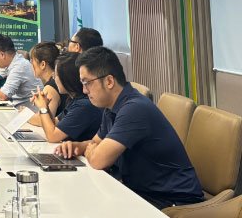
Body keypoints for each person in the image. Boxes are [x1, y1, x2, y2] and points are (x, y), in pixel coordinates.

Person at [55, 47, 203, 210]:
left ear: (109, 81)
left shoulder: (134, 109)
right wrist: (76, 146)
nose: (84, 90)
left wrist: (92, 151)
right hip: (140, 193)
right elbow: (95, 143)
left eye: (86, 82)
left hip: (171, 201)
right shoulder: (111, 107)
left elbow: (98, 161)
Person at [29, 51, 102, 142]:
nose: (54, 78)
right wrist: (46, 106)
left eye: (56, 75)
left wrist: (42, 108)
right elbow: (55, 123)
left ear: (67, 78)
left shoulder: (84, 105)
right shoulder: (74, 99)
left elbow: (53, 136)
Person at [0, 34, 41, 101]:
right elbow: (7, 91)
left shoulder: (19, 67)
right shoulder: (16, 62)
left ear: (2, 55)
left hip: (28, 106)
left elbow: (3, 96)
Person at [26, 42, 62, 123]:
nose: (31, 65)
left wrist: (24, 115)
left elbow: (44, 120)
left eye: (32, 61)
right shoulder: (53, 82)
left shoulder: (50, 88)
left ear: (43, 64)